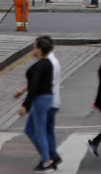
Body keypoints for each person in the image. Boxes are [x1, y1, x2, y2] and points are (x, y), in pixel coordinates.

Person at [14, 37, 55, 173]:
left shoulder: (41, 65)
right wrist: (23, 89)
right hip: (45, 98)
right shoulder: (46, 63)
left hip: (40, 100)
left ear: (39, 49)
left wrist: (25, 105)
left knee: (40, 131)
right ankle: (47, 157)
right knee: (30, 130)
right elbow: (36, 83)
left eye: (34, 47)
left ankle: (47, 162)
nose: (33, 49)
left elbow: (36, 86)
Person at [45, 38, 61, 166]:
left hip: (47, 101)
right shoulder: (52, 61)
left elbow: (46, 83)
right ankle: (53, 154)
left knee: (38, 131)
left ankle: (47, 158)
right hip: (53, 101)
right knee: (48, 129)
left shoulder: (49, 63)